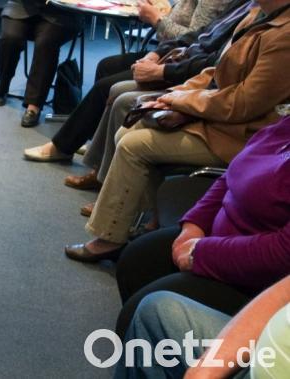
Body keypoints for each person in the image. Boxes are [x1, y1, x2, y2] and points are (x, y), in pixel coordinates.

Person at [63, 0, 290, 262]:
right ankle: (144, 223)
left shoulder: (284, 36)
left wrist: (181, 101)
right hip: (218, 117)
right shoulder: (257, 14)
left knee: (134, 144)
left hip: (241, 135)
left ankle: (109, 239)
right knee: (129, 129)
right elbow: (215, 70)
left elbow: (243, 103)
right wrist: (175, 94)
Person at [111, 112, 290, 337]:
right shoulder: (285, 125)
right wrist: (194, 224)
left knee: (143, 311)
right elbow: (231, 175)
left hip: (259, 282)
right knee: (136, 260)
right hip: (219, 237)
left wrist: (200, 252)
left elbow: (283, 255)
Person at [22, 0, 248, 164]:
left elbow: (198, 45)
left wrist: (156, 21)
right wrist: (156, 52)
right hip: (172, 54)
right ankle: (97, 146)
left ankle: (64, 147)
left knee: (109, 88)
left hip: (184, 68)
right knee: (106, 65)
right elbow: (192, 37)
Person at [116, 276, 290, 378]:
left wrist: (201, 253)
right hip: (261, 356)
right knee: (155, 310)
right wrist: (204, 369)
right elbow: (284, 291)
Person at [0, 0, 81, 127]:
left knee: (46, 43)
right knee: (10, 38)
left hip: (62, 12)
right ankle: (2, 85)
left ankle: (34, 105)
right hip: (21, 6)